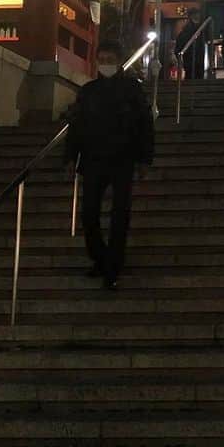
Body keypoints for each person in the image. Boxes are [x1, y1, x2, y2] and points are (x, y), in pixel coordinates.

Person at [66, 40, 154, 290]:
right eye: (101, 60)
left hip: (122, 158)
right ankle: (100, 257)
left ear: (119, 61)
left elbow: (145, 125)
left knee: (119, 215)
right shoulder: (89, 91)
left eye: (109, 60)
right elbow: (77, 125)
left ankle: (113, 265)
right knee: (89, 213)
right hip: (93, 158)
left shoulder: (132, 90)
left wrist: (144, 159)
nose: (105, 64)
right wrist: (71, 156)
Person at [176, 8, 206, 80]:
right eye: (196, 15)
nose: (197, 16)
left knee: (194, 75)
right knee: (193, 75)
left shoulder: (198, 28)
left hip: (195, 58)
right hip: (192, 58)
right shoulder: (190, 30)